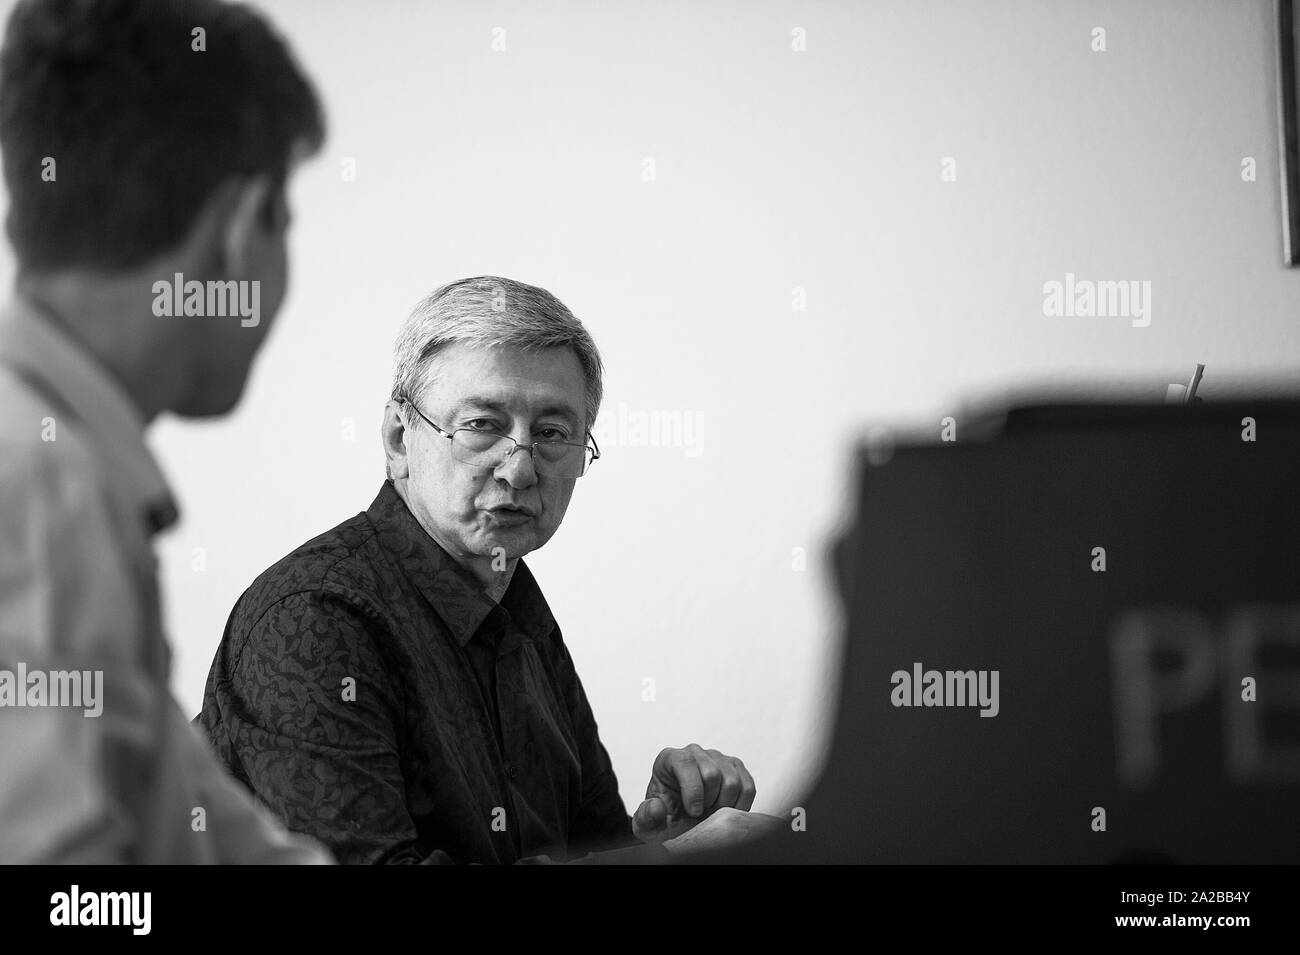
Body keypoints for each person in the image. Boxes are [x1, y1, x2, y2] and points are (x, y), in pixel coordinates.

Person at [198, 276, 761, 863]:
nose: (519, 471)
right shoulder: (315, 618)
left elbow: (588, 854)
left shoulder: (520, 610)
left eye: (551, 433)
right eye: (482, 425)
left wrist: (662, 840)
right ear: (398, 439)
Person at [0, 0, 331, 863]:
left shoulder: (54, 459)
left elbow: (203, 826)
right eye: (284, 225)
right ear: (238, 229)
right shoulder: (43, 486)